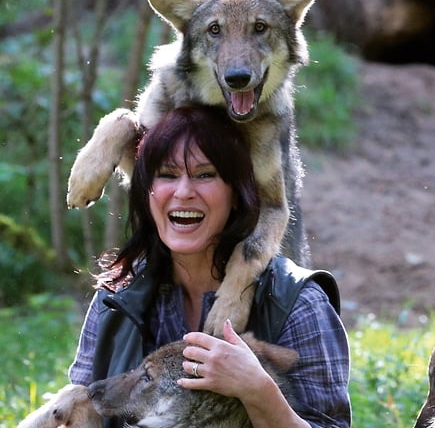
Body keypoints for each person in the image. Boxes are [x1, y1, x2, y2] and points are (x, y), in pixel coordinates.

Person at [68, 105, 351, 428]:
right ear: (147, 191)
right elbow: (87, 406)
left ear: (238, 192)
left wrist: (257, 390)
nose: (184, 192)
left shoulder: (298, 303)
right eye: (167, 175)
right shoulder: (118, 294)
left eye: (205, 175)